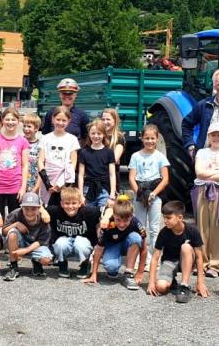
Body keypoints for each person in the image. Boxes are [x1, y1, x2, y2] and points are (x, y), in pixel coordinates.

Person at [192, 122, 219, 277]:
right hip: (202, 190)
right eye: (213, 135)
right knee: (202, 226)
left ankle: (216, 265)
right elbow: (198, 173)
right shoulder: (201, 152)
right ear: (208, 136)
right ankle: (201, 262)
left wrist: (208, 173)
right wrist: (216, 173)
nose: (216, 138)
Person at [147, 201, 209, 303]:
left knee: (185, 247)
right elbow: (155, 258)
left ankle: (184, 285)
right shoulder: (164, 232)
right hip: (169, 261)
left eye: (168, 218)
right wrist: (151, 282)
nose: (165, 221)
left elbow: (199, 257)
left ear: (180, 217)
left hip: (187, 260)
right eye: (164, 217)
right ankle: (172, 282)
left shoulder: (192, 230)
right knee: (161, 287)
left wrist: (200, 282)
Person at [82, 195, 146, 290]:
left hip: (127, 244)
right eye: (118, 220)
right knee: (111, 268)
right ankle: (112, 264)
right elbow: (99, 249)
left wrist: (140, 272)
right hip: (112, 245)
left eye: (126, 220)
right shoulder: (108, 224)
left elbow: (144, 248)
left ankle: (128, 274)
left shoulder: (136, 223)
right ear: (114, 215)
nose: (121, 224)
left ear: (131, 217)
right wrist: (94, 273)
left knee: (136, 238)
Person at [128, 123, 169, 261]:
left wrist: (154, 194)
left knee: (154, 228)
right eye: (147, 138)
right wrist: (139, 193)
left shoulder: (160, 157)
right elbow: (131, 178)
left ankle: (153, 257)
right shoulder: (136, 156)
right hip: (140, 193)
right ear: (142, 138)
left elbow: (165, 179)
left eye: (152, 138)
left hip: (154, 193)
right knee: (140, 226)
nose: (150, 141)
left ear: (157, 139)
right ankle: (139, 256)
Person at [45, 186, 100, 278]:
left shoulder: (88, 211)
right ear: (61, 204)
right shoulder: (55, 210)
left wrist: (106, 218)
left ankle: (85, 263)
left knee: (80, 242)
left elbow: (108, 209)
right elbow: (39, 208)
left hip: (83, 243)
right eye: (67, 203)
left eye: (74, 203)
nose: (70, 206)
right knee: (59, 243)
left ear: (80, 203)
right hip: (65, 242)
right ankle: (62, 263)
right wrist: (43, 212)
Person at [0, 107, 30, 216]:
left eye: (13, 120)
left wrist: (23, 187)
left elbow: (25, 165)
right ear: (2, 120)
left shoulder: (23, 141)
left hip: (15, 185)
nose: (10, 122)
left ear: (18, 121)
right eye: (7, 119)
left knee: (14, 217)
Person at [2, 192, 53, 281]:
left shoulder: (44, 219)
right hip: (21, 242)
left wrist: (26, 250)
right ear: (22, 207)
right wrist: (16, 224)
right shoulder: (16, 214)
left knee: (46, 260)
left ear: (39, 208)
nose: (30, 212)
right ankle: (14, 267)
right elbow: (4, 232)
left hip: (36, 246)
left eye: (33, 209)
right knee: (12, 232)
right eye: (26, 209)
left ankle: (36, 261)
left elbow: (41, 241)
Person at [37, 106, 79, 207]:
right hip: (47, 180)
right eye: (58, 119)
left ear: (69, 121)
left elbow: (73, 164)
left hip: (64, 181)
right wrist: (47, 183)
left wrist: (61, 183)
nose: (60, 123)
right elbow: (40, 161)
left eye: (64, 120)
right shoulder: (45, 138)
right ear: (52, 119)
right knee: (47, 208)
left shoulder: (72, 139)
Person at [78, 119, 115, 208]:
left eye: (99, 133)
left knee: (102, 216)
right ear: (89, 134)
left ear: (104, 135)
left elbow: (112, 174)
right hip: (88, 189)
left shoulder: (109, 152)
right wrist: (80, 194)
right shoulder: (84, 152)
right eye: (93, 133)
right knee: (88, 215)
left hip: (104, 189)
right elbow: (80, 175)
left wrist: (112, 194)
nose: (96, 136)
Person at [21, 113, 43, 197]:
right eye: (24, 126)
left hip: (33, 184)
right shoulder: (19, 141)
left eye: (29, 126)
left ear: (36, 129)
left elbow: (41, 167)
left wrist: (37, 187)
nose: (26, 129)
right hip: (18, 183)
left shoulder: (40, 145)